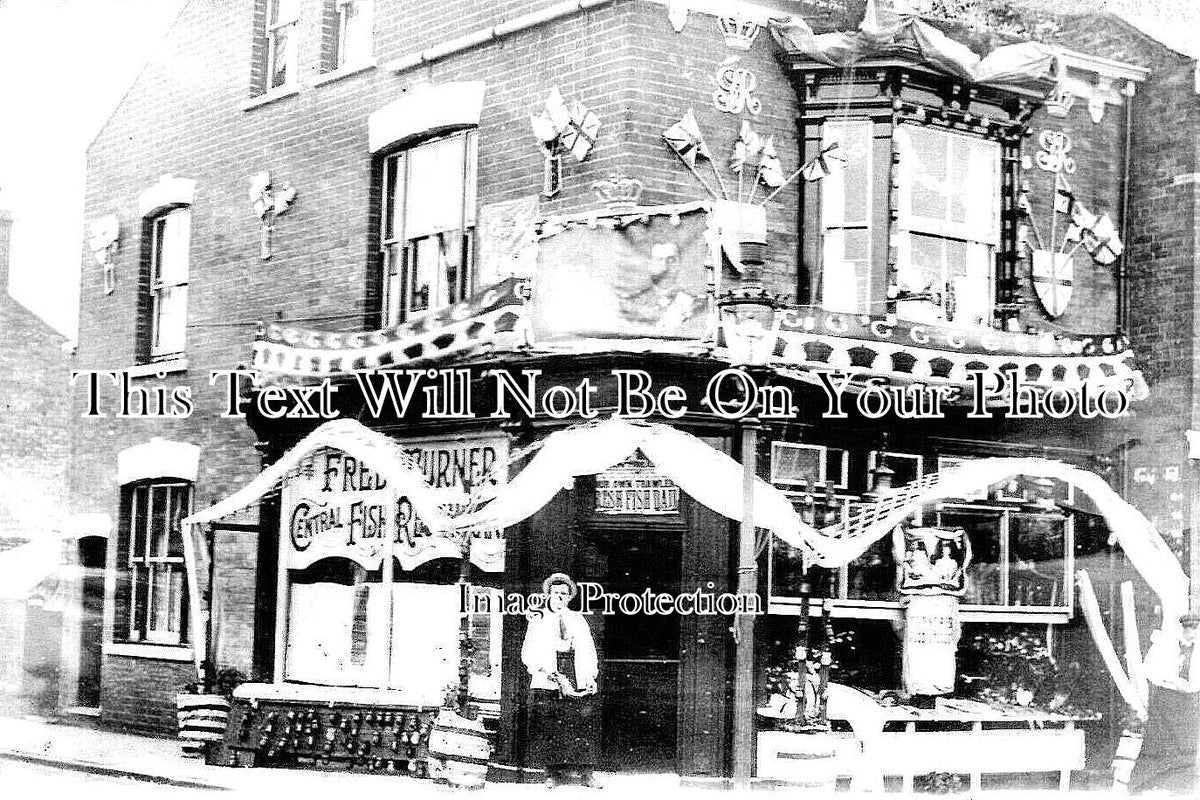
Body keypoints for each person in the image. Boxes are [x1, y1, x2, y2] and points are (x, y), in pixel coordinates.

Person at [522, 572, 601, 788]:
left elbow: (588, 650)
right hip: (549, 677)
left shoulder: (578, 620)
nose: (559, 597)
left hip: (575, 677)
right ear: (548, 595)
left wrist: (590, 675)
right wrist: (543, 670)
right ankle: (553, 773)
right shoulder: (538, 620)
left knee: (582, 724)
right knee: (551, 726)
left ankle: (586, 773)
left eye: (563, 594)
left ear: (569, 597)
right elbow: (528, 652)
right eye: (555, 593)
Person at [1130, 613, 1200, 795]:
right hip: (1165, 699)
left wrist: (1190, 686)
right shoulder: (1164, 645)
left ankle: (1179, 786)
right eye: (1187, 629)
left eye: (1194, 629)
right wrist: (1172, 681)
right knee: (1156, 740)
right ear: (1180, 628)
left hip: (1189, 702)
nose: (1190, 633)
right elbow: (1149, 669)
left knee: (1185, 742)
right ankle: (1142, 784)